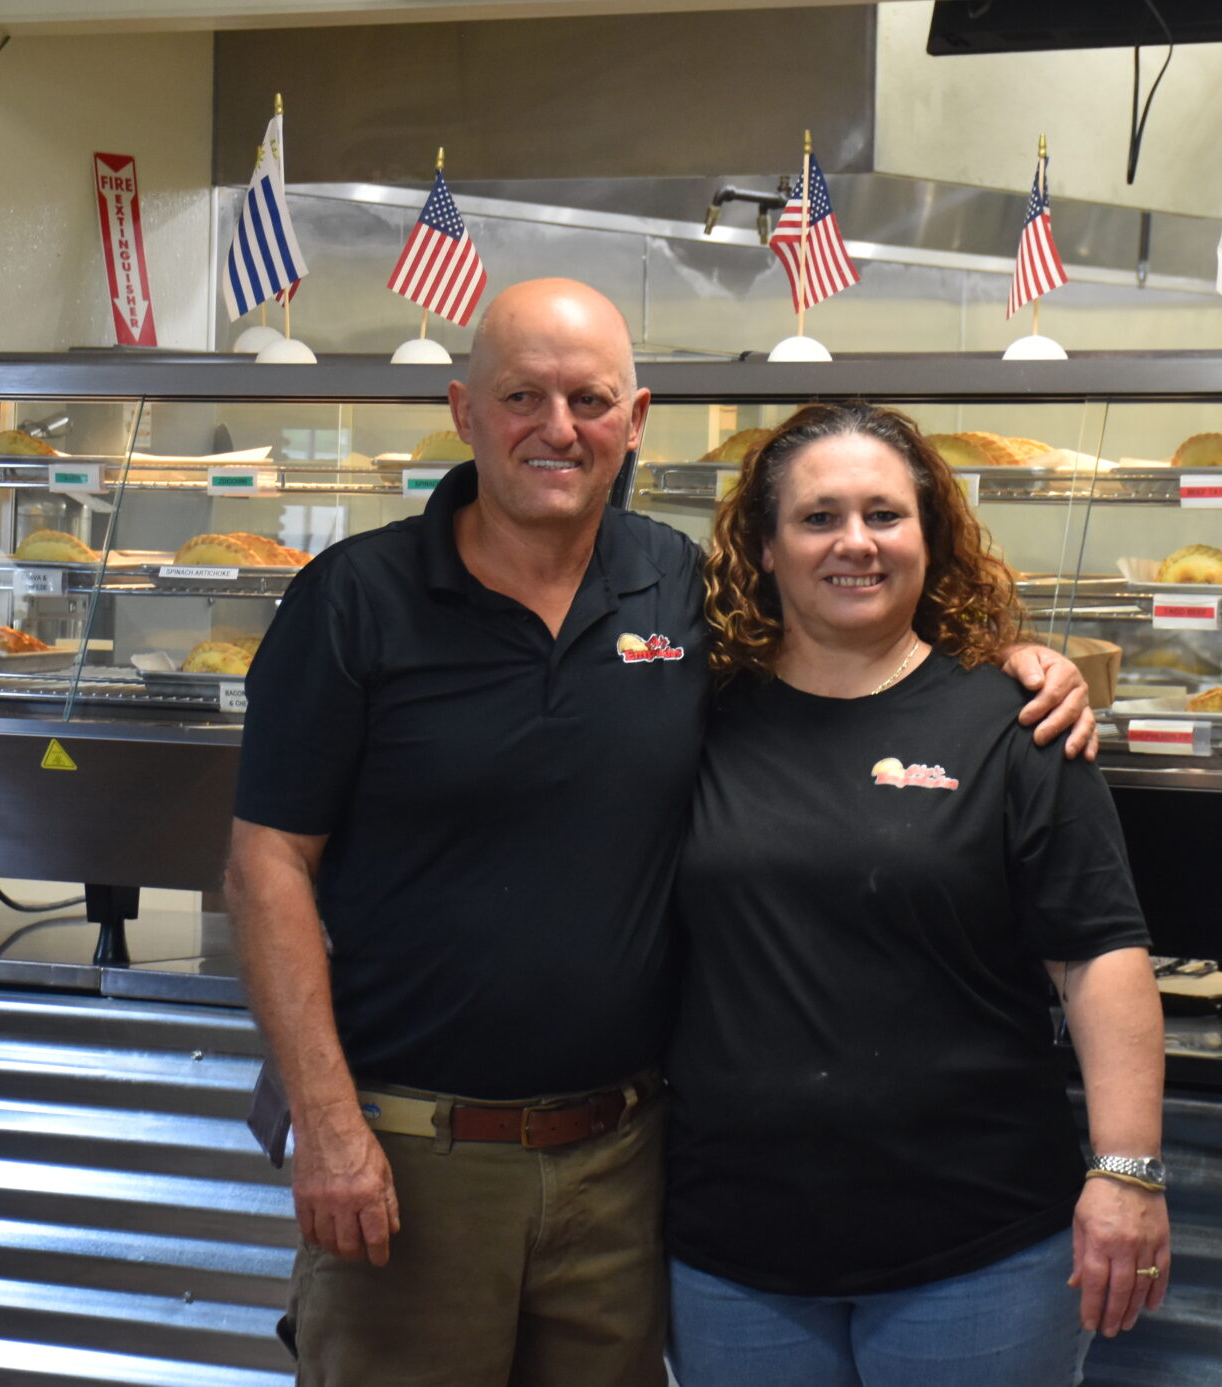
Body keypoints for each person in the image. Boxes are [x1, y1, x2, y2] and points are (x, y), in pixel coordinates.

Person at [226, 280, 1096, 1387]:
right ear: (463, 410)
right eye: (521, 397)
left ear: (634, 421)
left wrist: (1026, 663)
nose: (558, 429)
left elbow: (854, 629)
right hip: (411, 1155)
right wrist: (328, 1126)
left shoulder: (678, 588)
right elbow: (267, 865)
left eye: (589, 400)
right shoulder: (355, 601)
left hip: (626, 1162)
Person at [663, 400, 1170, 1387]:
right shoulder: (691, 717)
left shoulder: (1015, 725)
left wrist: (1127, 1172)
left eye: (885, 515)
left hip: (977, 1252)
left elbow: (1098, 953)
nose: (856, 543)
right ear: (763, 548)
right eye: (818, 518)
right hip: (733, 1248)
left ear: (929, 538)